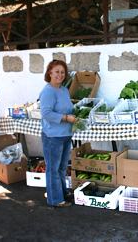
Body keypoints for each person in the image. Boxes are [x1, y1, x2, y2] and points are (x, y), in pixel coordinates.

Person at [39, 60, 76, 208]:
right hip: (53, 136)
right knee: (53, 168)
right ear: (50, 73)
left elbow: (67, 108)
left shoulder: (64, 90)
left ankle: (62, 192)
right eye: (57, 72)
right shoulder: (48, 91)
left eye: (62, 72)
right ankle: (55, 199)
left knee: (61, 168)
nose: (60, 75)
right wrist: (66, 118)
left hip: (65, 134)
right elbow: (46, 113)